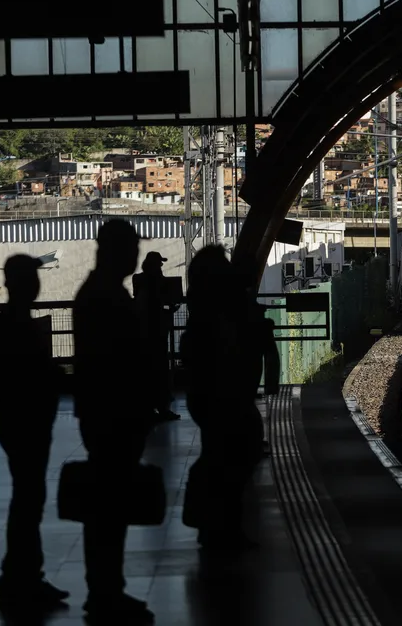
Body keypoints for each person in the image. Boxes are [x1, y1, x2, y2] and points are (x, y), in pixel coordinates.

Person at [72, 220, 155, 623]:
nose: (136, 255)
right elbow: (117, 362)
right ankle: (105, 592)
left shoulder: (99, 292)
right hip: (112, 414)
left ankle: (106, 589)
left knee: (107, 506)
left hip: (104, 411)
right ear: (116, 250)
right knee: (108, 506)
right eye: (131, 247)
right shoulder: (106, 297)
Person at [0, 255, 69, 612]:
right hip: (28, 422)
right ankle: (22, 577)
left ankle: (19, 576)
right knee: (28, 501)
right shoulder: (19, 325)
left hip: (17, 420)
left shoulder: (7, 324)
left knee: (26, 499)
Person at [180, 246, 274, 549]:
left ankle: (216, 526)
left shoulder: (205, 308)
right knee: (229, 461)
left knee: (221, 459)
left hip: (212, 395)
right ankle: (221, 527)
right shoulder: (223, 308)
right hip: (225, 395)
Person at [132, 252, 179, 421]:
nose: (161, 267)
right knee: (159, 372)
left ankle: (149, 409)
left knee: (147, 372)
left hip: (143, 335)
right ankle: (162, 407)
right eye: (159, 264)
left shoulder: (139, 281)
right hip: (157, 334)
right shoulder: (158, 284)